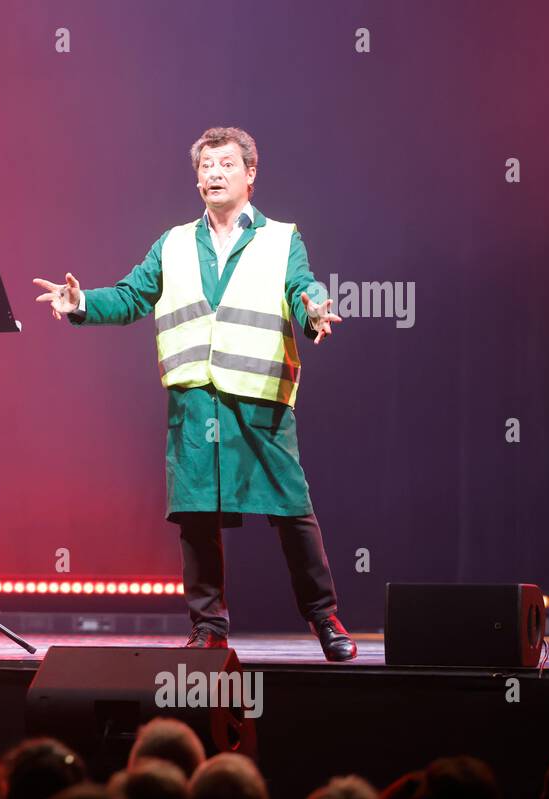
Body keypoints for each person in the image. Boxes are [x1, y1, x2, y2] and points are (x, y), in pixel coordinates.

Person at [34, 126, 354, 662]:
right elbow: (133, 295)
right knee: (196, 516)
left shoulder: (280, 238)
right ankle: (209, 628)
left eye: (226, 164)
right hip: (195, 402)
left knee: (292, 512)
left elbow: (303, 287)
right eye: (206, 166)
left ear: (250, 175)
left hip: (260, 400)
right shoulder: (175, 242)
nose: (214, 174)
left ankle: (324, 618)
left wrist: (315, 310)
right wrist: (81, 301)